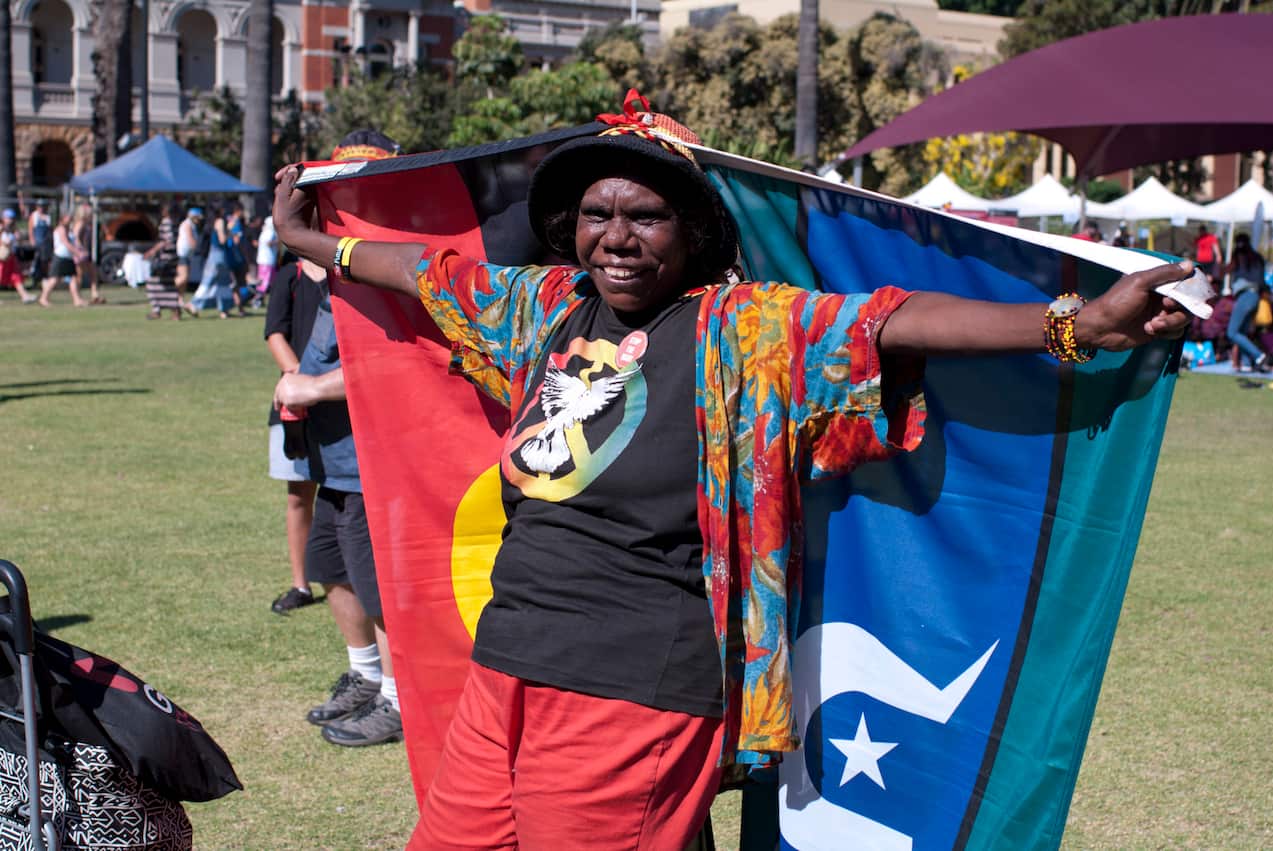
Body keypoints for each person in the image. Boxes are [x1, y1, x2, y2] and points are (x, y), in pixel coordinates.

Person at [273, 96, 1194, 848]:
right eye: (597, 214)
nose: (617, 238)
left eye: (646, 215)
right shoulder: (545, 310)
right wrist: (314, 244)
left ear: (693, 230)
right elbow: (429, 272)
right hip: (506, 666)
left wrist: (1078, 327)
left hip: (633, 685)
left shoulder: (743, 332)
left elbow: (888, 320)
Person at [272, 129, 406, 747]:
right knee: (333, 567)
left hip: (373, 459)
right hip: (335, 461)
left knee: (378, 587)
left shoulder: (389, 261)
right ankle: (366, 676)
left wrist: (311, 389)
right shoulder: (340, 263)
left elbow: (397, 366)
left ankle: (400, 699)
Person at [263, 254, 324, 613]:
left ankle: (352, 577)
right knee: (298, 495)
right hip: (296, 402)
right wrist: (299, 378)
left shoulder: (345, 270)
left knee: (348, 497)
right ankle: (300, 583)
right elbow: (274, 333)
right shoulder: (291, 274)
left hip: (340, 397)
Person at [1222, 232, 1269, 372]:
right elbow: (1262, 280)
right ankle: (1248, 364)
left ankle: (1258, 355)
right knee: (1242, 332)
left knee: (1232, 332)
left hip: (1245, 296)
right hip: (1255, 297)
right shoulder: (1257, 258)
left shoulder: (1239, 256)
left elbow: (1225, 271)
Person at [189, 205, 237, 318]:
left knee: (222, 282)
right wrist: (230, 228)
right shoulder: (220, 221)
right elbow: (222, 240)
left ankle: (224, 309)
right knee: (210, 281)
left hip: (213, 254)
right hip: (219, 255)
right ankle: (193, 303)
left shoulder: (211, 221)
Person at [39, 210, 86, 307]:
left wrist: (79, 250)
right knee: (54, 279)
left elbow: (73, 242)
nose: (70, 219)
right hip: (60, 257)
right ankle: (43, 298)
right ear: (62, 219)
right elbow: (66, 243)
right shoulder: (61, 229)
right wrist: (77, 253)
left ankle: (77, 300)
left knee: (73, 279)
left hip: (68, 257)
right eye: (68, 217)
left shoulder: (68, 229)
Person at [0, 209, 36, 303]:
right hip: (2, 258)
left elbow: (18, 240)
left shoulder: (13, 229)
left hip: (10, 256)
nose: (10, 220)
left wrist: (16, 236)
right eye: (8, 218)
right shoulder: (1, 228)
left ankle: (24, 296)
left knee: (16, 276)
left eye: (12, 218)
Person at [72, 203, 103, 305]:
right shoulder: (80, 223)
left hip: (86, 252)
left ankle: (95, 294)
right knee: (79, 276)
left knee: (93, 273)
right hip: (80, 253)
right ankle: (77, 297)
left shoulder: (87, 224)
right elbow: (76, 237)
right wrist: (81, 249)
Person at [175, 207, 203, 312]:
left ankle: (180, 299)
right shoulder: (187, 224)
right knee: (183, 277)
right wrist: (199, 248)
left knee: (185, 281)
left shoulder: (192, 225)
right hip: (183, 255)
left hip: (188, 256)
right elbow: (191, 240)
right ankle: (168, 290)